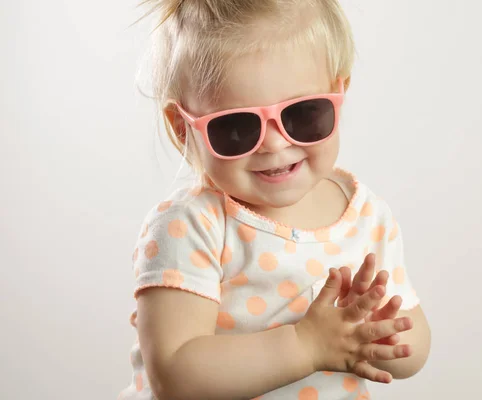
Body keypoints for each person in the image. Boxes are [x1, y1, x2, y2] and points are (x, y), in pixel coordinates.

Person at [120, 1, 431, 399]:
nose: (274, 143)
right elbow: (175, 375)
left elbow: (413, 349)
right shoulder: (192, 226)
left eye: (303, 114)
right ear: (183, 128)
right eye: (235, 126)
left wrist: (373, 328)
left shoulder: (366, 215)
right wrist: (306, 345)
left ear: (340, 93)